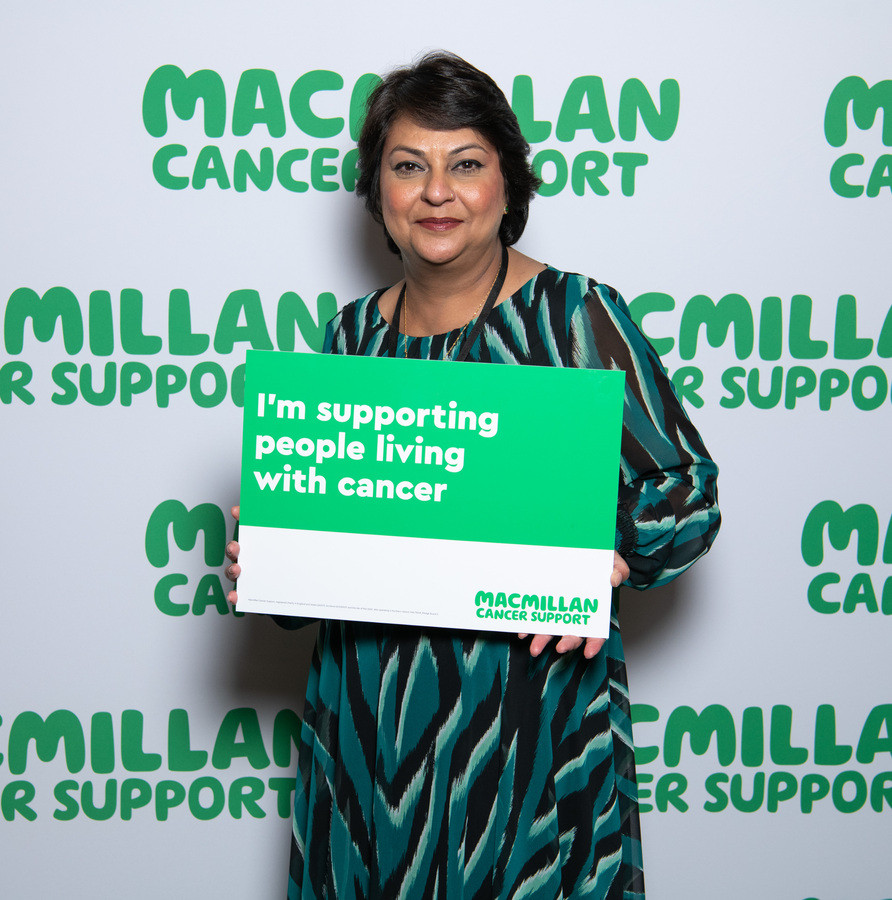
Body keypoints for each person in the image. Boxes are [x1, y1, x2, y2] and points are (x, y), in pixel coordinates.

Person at [226, 51, 720, 900]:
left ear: (507, 185)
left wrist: (614, 551)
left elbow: (686, 490)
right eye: (408, 166)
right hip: (365, 733)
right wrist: (269, 561)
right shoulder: (350, 341)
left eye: (466, 165)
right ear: (377, 189)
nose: (436, 193)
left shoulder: (575, 316)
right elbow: (333, 560)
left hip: (528, 731)